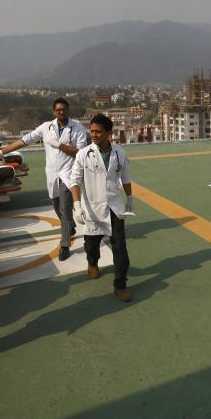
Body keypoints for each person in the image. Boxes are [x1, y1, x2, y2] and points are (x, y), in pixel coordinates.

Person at [0, 98, 87, 262]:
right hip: (52, 174)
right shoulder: (46, 127)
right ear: (53, 112)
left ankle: (65, 245)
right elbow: (24, 140)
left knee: (65, 206)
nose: (61, 112)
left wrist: (59, 145)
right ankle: (70, 226)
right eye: (58, 110)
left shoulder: (77, 128)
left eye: (64, 109)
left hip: (68, 173)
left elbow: (80, 153)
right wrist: (2, 152)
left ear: (68, 110)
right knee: (57, 206)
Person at [69, 114, 135, 301]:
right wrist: (77, 205)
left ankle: (120, 285)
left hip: (114, 207)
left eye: (98, 131)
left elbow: (126, 178)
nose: (94, 135)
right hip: (92, 208)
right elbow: (75, 180)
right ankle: (92, 263)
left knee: (120, 249)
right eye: (92, 131)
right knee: (91, 245)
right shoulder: (84, 154)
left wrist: (130, 197)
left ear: (108, 133)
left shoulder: (120, 153)